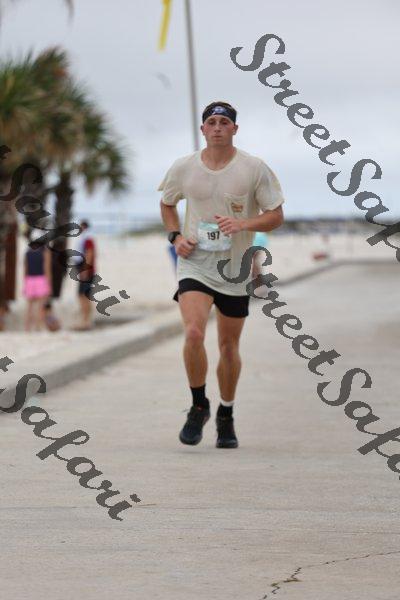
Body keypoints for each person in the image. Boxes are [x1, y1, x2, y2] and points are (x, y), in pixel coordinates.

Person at [159, 101, 285, 449]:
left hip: (234, 270)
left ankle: (226, 413)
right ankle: (199, 405)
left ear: (234, 129)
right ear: (203, 129)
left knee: (229, 348)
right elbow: (167, 203)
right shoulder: (184, 167)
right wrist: (176, 237)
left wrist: (243, 223)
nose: (217, 127)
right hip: (195, 264)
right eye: (212, 122)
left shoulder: (254, 168)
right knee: (194, 332)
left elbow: (276, 215)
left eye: (224, 122)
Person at [23, 229, 52, 331]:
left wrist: (25, 283)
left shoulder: (28, 252)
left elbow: (25, 269)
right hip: (41, 279)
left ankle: (27, 328)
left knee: (29, 307)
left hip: (29, 280)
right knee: (41, 306)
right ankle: (38, 327)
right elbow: (46, 269)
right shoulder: (45, 252)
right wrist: (49, 284)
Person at [73, 220, 96, 331]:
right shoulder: (86, 239)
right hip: (85, 271)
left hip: (86, 272)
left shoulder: (88, 239)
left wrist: (85, 270)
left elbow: (89, 254)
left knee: (83, 296)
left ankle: (86, 320)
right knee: (85, 295)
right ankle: (87, 320)